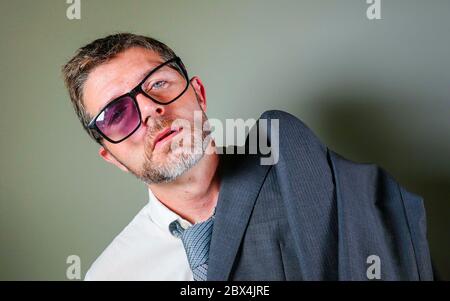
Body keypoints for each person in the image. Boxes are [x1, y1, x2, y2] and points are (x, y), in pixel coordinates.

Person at [62, 33, 434, 280]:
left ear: (199, 95)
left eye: (158, 83)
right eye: (116, 114)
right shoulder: (113, 273)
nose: (149, 110)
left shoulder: (297, 173)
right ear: (110, 156)